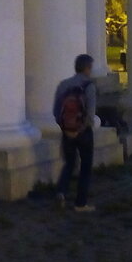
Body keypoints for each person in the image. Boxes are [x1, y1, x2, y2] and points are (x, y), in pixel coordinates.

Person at [53, 54, 98, 213]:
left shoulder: (63, 85)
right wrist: (81, 129)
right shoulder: (89, 86)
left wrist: (65, 128)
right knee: (85, 167)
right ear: (87, 68)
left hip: (67, 131)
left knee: (69, 164)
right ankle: (80, 203)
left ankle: (61, 192)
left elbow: (56, 111)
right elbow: (90, 115)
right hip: (84, 133)